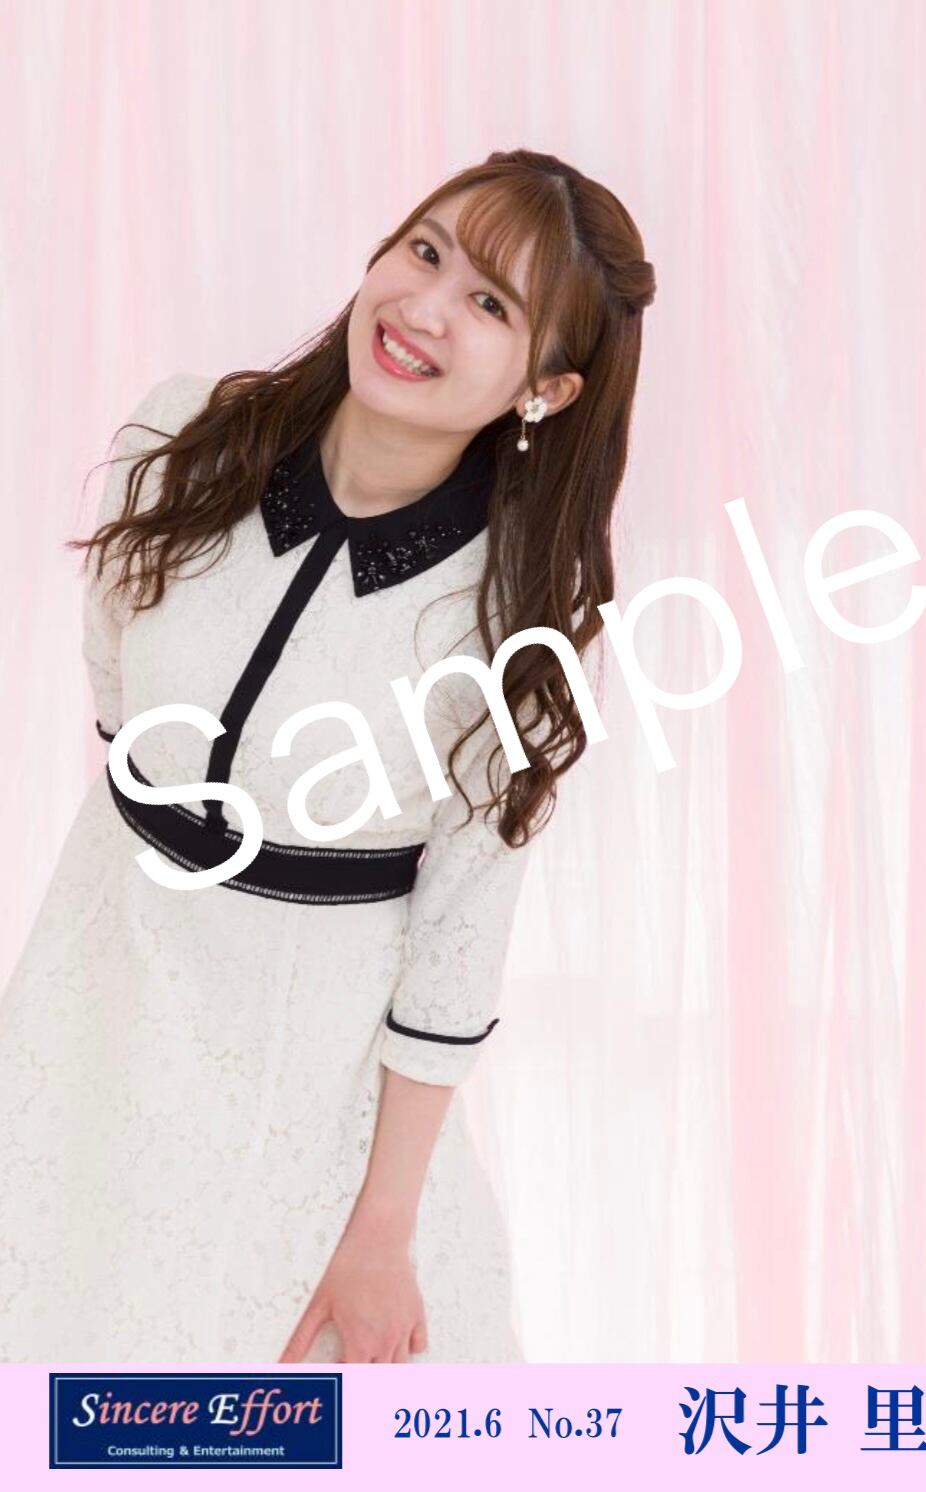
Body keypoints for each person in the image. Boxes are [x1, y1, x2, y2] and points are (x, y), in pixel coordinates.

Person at [0, 148, 655, 1363]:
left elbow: (458, 939)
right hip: (91, 1015)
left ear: (547, 390)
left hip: (309, 1103)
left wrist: (380, 1232)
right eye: (425, 251)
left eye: (489, 302)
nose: (425, 308)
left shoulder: (516, 617)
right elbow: (115, 684)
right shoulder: (183, 432)